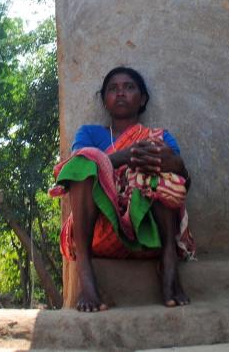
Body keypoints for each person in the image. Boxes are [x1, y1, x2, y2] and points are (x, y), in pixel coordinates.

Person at [51, 66, 195, 312]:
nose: (120, 93)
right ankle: (86, 277)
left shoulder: (157, 136)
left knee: (160, 160)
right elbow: (75, 171)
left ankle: (169, 264)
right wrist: (125, 156)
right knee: (85, 161)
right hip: (99, 231)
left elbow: (182, 185)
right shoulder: (89, 133)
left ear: (143, 99)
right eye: (113, 89)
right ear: (104, 100)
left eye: (129, 87)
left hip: (148, 233)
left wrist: (174, 163)